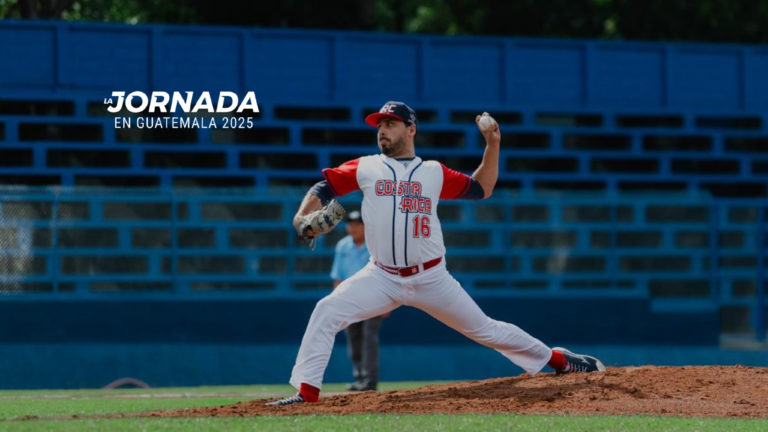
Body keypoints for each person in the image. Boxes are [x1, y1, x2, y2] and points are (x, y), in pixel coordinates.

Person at [267, 101, 605, 406]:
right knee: (326, 310)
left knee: (486, 330)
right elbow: (323, 187)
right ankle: (307, 393)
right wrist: (301, 217)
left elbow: (482, 189)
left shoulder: (432, 172)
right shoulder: (366, 167)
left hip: (430, 277)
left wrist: (493, 144)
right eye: (379, 125)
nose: (382, 129)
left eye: (391, 123)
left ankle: (561, 361)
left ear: (411, 129)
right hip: (381, 275)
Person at [330, 210, 383, 392]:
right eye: (350, 224)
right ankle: (359, 377)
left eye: (357, 224)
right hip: (350, 299)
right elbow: (338, 276)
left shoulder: (374, 245)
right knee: (353, 338)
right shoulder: (342, 246)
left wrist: (387, 302)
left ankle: (370, 380)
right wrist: (337, 302)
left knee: (369, 337)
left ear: (364, 226)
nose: (353, 228)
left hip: (373, 298)